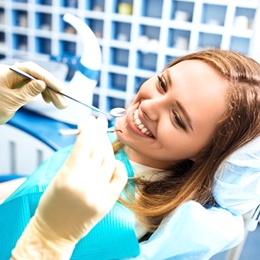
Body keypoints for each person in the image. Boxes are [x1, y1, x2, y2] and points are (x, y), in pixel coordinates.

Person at [1, 49, 259, 259]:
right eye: (162, 83)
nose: (148, 105)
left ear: (206, 155)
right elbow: (25, 191)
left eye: (178, 118)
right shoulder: (123, 142)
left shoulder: (127, 224)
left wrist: (50, 240)